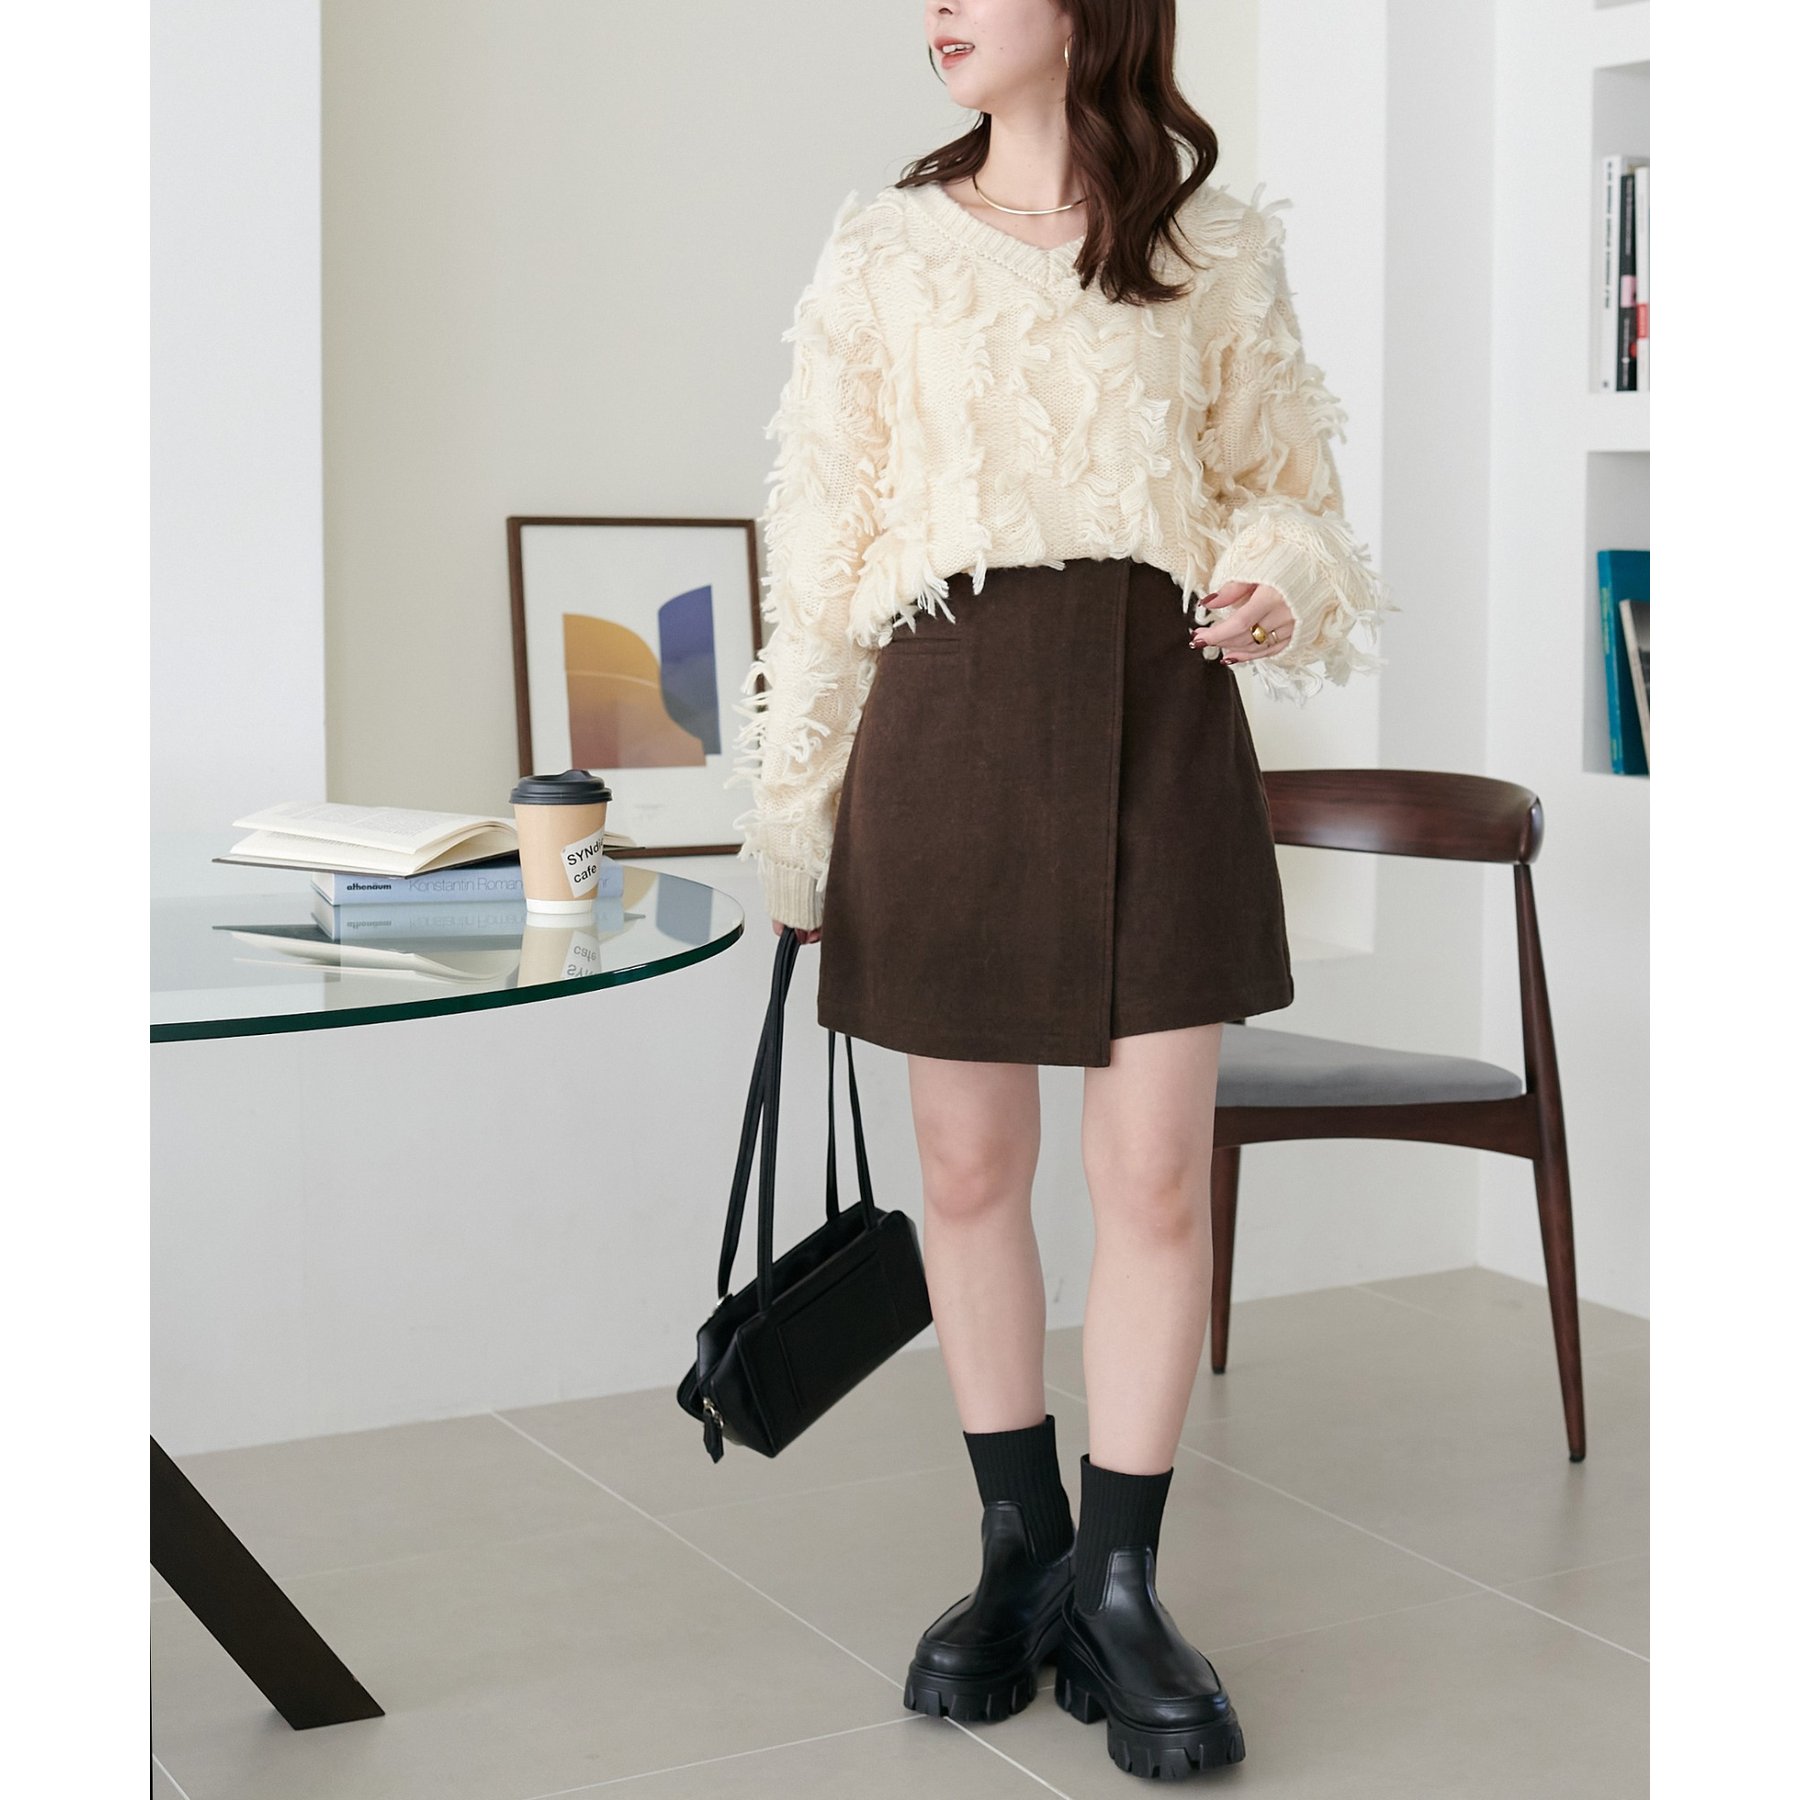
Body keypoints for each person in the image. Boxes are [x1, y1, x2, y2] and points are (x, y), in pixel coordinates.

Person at [726, 0, 1395, 1782]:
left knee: (1152, 1173)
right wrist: (798, 819)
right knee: (967, 1170)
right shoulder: (885, 247)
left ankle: (1120, 1584)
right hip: (943, 712)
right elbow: (823, 545)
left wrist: (1275, 573)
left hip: (1162, 714)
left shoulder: (1212, 245)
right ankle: (1016, 1552)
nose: (935, 8)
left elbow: (1292, 497)